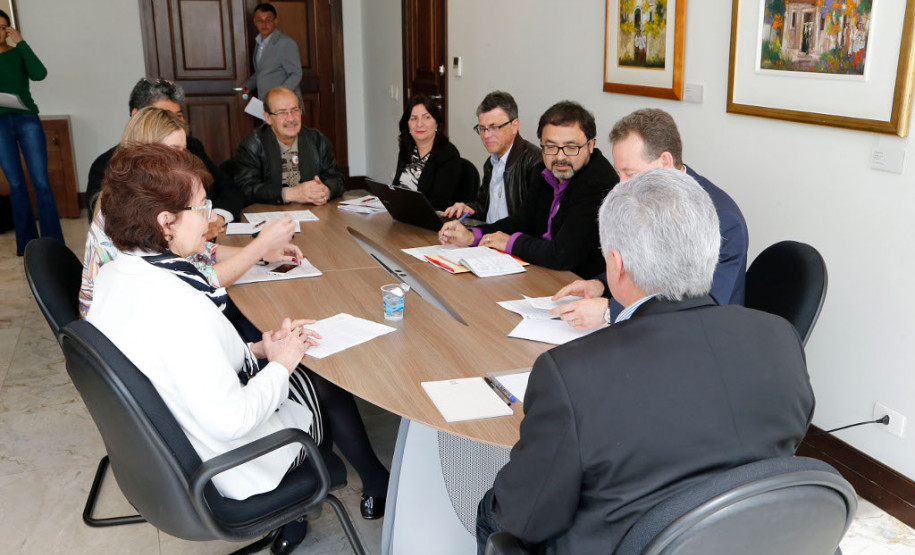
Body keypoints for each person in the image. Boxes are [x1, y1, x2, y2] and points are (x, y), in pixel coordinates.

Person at [475, 168, 814, 554]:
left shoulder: (569, 374)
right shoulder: (781, 337)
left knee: (494, 512)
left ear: (615, 266)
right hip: (750, 537)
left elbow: (527, 516)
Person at [86, 144, 321, 554]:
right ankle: (309, 503)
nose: (211, 218)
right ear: (166, 222)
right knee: (326, 387)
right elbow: (233, 421)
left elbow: (175, 365)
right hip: (229, 467)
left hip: (171, 453)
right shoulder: (179, 305)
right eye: (200, 207)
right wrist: (281, 366)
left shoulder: (114, 276)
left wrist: (259, 349)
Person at [79, 107, 301, 319]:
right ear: (148, 154)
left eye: (184, 150)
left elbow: (200, 253)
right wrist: (258, 247)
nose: (184, 158)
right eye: (175, 152)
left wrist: (261, 254)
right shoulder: (135, 213)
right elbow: (197, 281)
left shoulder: (139, 198)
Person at [551, 108, 749, 329]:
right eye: (619, 173)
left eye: (630, 174)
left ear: (664, 162)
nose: (620, 184)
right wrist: (601, 284)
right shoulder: (643, 201)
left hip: (703, 335)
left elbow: (703, 305)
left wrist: (611, 311)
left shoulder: (722, 219)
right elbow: (643, 265)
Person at [440, 101, 619, 278]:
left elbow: (563, 255)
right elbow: (521, 222)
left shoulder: (598, 183)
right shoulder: (542, 171)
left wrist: (510, 242)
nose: (560, 156)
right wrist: (473, 236)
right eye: (550, 147)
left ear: (590, 145)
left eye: (571, 147)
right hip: (543, 271)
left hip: (580, 282)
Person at [85, 77, 246, 237]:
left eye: (178, 115)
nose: (175, 123)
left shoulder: (191, 147)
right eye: (164, 116)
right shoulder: (106, 165)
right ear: (139, 116)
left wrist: (217, 218)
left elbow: (229, 189)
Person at [0, 10, 64, 255]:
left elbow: (40, 74)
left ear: (9, 30)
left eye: (4, 27)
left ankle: (53, 242)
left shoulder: (18, 53)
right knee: (16, 184)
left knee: (41, 182)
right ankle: (26, 244)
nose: (0, 31)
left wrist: (22, 43)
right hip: (0, 124)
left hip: (27, 120)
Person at [442, 91, 542, 223]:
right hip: (486, 238)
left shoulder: (535, 163)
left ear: (514, 126)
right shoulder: (491, 163)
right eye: (482, 128)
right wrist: (469, 209)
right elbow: (484, 207)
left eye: (494, 127)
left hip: (511, 241)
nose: (486, 135)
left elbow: (535, 223)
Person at [234, 86, 344, 205]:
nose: (291, 118)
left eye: (295, 110)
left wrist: (325, 191)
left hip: (314, 210)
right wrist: (289, 194)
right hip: (273, 214)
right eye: (282, 112)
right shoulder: (252, 145)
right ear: (268, 118)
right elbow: (246, 188)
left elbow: (337, 179)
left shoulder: (317, 140)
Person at [392, 95, 472, 211]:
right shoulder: (407, 149)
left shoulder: (448, 154)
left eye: (426, 117)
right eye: (413, 118)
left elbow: (438, 203)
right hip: (404, 216)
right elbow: (396, 188)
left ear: (436, 123)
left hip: (432, 222)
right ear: (407, 124)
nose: (419, 124)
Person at [241, 3, 302, 100]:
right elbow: (262, 71)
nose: (264, 24)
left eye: (268, 20)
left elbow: (296, 74)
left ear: (276, 21)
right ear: (254, 22)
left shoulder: (286, 43)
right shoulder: (259, 43)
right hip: (266, 102)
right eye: (259, 20)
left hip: (284, 103)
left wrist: (279, 95)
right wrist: (248, 85)